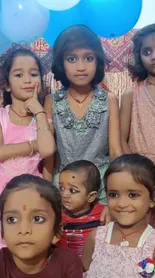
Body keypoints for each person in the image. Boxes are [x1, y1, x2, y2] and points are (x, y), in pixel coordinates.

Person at [44, 24, 122, 203]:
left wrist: (115, 195)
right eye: (72, 59)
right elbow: (49, 157)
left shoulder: (109, 99)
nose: (81, 67)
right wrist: (46, 195)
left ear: (98, 61)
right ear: (61, 63)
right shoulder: (51, 101)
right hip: (63, 189)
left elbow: (115, 150)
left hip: (100, 188)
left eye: (88, 58)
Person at [0, 174, 86, 278]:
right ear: (2, 231)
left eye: (37, 219)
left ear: (57, 232)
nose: (24, 230)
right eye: (12, 219)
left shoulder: (67, 264)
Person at [83, 154, 155, 278]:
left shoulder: (152, 243)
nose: (122, 203)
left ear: (152, 198)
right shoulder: (97, 238)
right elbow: (87, 270)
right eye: (114, 194)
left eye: (133, 195)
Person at [0, 48, 56, 194]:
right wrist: (33, 145)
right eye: (19, 75)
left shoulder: (43, 120)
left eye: (34, 74)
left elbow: (48, 153)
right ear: (6, 85)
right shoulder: (2, 116)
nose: (27, 80)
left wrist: (39, 111)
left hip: (33, 194)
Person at [120, 24, 155, 163]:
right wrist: (136, 170)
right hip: (139, 172)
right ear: (139, 56)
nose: (154, 57)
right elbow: (121, 140)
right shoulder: (131, 94)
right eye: (147, 52)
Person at [57, 160, 104, 257]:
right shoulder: (56, 214)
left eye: (72, 190)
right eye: (61, 188)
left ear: (91, 197)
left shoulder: (103, 213)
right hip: (64, 268)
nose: (65, 194)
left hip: (92, 267)